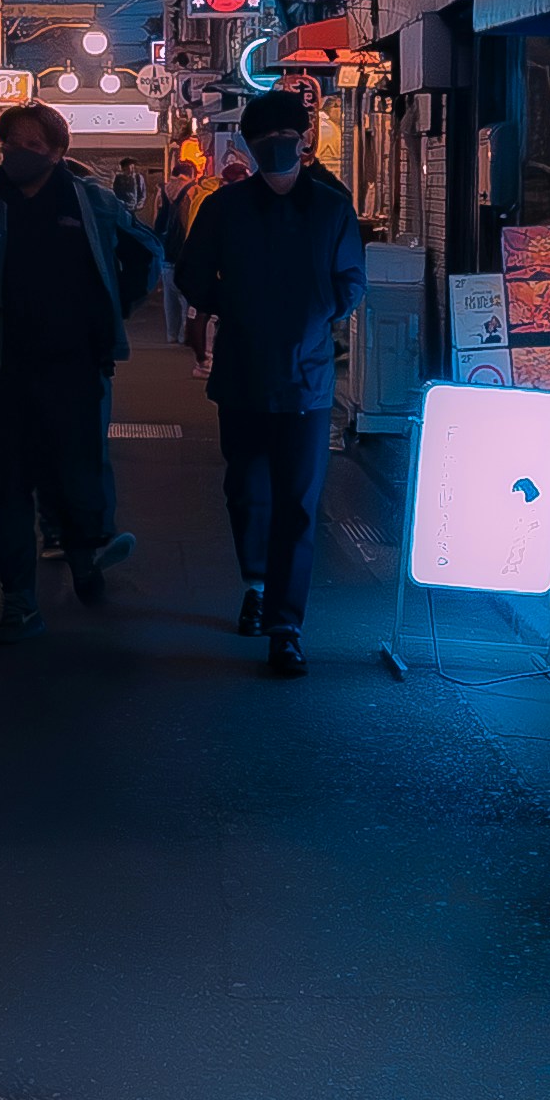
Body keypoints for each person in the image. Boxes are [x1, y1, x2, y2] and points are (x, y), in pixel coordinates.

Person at [170, 90, 371, 676]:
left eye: (289, 136)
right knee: (247, 489)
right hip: (242, 373)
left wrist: (314, 313)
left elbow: (352, 281)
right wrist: (231, 304)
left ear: (303, 141)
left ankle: (286, 623)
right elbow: (190, 271)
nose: (281, 147)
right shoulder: (226, 208)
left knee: (299, 503)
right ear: (251, 147)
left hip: (307, 378)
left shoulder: (332, 209)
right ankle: (255, 583)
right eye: (269, 139)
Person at [0, 104, 158, 638]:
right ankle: (19, 602)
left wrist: (113, 310)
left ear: (58, 152)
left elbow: (147, 253)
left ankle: (84, 559)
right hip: (2, 371)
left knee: (76, 476)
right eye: (13, 143)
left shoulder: (93, 204)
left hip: (76, 368)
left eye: (34, 146)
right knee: (5, 485)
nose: (21, 153)